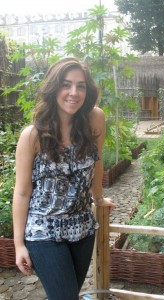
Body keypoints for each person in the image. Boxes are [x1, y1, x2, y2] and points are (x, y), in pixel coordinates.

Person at [13, 57, 115, 300]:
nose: (74, 92)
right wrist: (19, 245)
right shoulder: (32, 135)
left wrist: (98, 198)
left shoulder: (95, 119)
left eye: (80, 86)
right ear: (53, 88)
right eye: (66, 84)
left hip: (82, 229)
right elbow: (22, 192)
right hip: (44, 231)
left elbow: (96, 162)